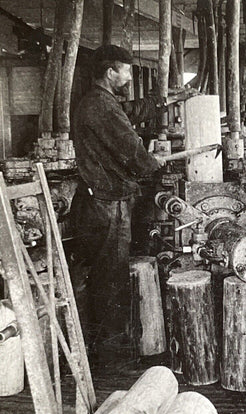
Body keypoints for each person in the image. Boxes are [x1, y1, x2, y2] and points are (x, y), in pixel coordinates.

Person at [70, 45, 166, 357]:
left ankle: (108, 348)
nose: (128, 75)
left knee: (106, 276)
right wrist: (154, 163)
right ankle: (111, 356)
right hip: (107, 205)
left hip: (102, 200)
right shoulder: (100, 106)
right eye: (126, 70)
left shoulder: (100, 102)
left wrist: (158, 103)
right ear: (111, 71)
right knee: (110, 280)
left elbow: (127, 120)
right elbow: (130, 150)